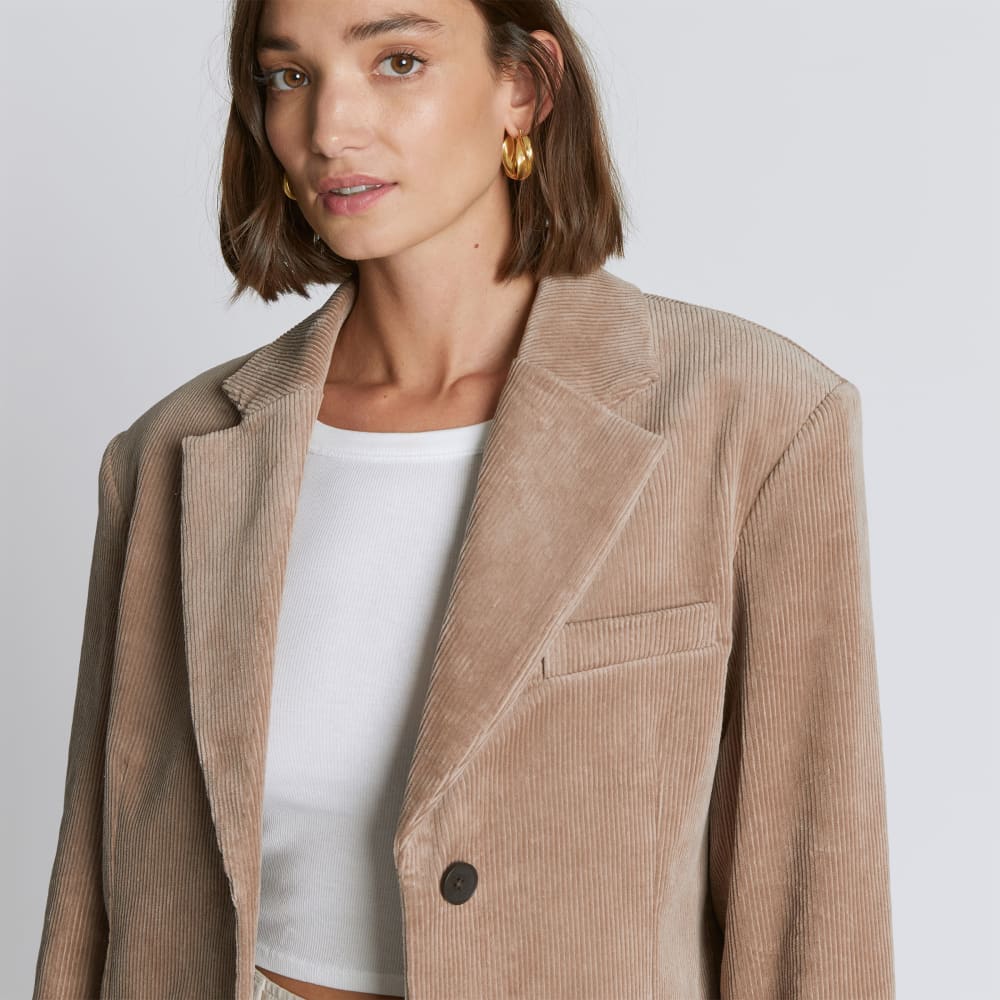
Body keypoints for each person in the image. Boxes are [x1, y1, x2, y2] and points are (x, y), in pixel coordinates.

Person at [33, 1, 896, 998]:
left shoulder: (753, 419)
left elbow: (811, 910)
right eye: (289, 76)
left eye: (397, 61)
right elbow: (95, 889)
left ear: (523, 87)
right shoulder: (171, 454)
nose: (330, 128)